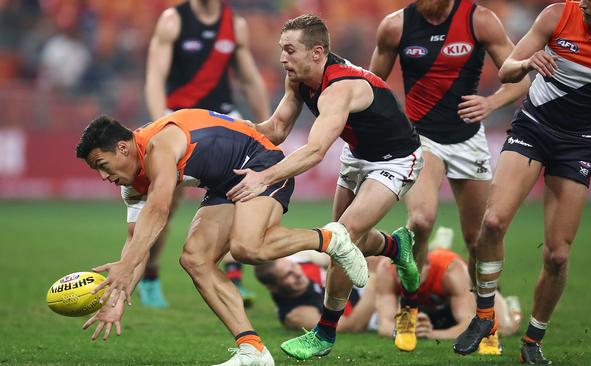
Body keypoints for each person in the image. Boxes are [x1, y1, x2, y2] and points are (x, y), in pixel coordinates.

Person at [76, 109, 369, 366]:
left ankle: (331, 239)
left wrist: (126, 268)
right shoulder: (130, 185)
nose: (103, 176)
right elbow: (137, 242)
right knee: (195, 259)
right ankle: (252, 349)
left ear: (123, 148)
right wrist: (115, 299)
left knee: (246, 248)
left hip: (260, 162)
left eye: (103, 164)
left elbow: (159, 210)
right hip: (225, 184)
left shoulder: (158, 145)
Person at [452, 0, 591, 364]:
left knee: (558, 255)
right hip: (533, 128)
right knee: (493, 222)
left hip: (578, 147)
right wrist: (528, 62)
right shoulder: (558, 15)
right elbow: (507, 70)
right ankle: (483, 316)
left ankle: (532, 340)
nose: (586, 2)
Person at [226, 14, 424, 360]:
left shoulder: (339, 88)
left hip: (395, 158)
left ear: (317, 52)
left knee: (341, 238)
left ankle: (324, 333)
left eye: (290, 50)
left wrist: (263, 177)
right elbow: (276, 129)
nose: (282, 58)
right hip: (358, 154)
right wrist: (229, 132)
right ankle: (395, 247)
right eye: (281, 50)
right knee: (342, 244)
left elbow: (316, 151)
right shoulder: (299, 78)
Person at [369, 0, 530, 352]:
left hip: (468, 141)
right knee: (422, 220)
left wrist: (492, 102)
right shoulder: (396, 26)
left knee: (478, 239)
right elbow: (372, 85)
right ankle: (409, 307)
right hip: (420, 137)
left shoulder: (480, 20)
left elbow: (522, 77)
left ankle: (484, 319)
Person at [141, 0, 270, 307]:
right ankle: (149, 274)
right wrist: (161, 123)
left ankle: (234, 277)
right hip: (179, 121)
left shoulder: (234, 25)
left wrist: (267, 125)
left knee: (242, 192)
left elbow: (250, 79)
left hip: (222, 120)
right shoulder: (173, 20)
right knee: (166, 203)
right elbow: (155, 77)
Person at [374, 247, 521, 355]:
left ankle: (514, 309)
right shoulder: (387, 269)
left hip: (470, 294)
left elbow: (469, 325)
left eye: (415, 270)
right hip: (430, 307)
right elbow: (384, 324)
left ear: (428, 264)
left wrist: (431, 334)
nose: (407, 277)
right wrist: (407, 330)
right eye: (403, 270)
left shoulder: (450, 270)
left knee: (505, 327)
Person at [254, 254, 379, 333]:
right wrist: (374, 281)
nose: (297, 273)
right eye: (288, 275)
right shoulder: (298, 314)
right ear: (272, 287)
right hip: (377, 309)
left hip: (369, 285)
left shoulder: (303, 262)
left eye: (293, 266)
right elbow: (351, 326)